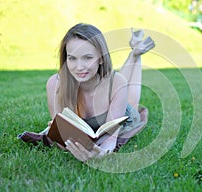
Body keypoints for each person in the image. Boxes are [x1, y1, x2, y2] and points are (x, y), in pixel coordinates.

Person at [46, 23, 155, 162]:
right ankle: (135, 51)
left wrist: (101, 154)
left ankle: (135, 54)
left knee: (130, 99)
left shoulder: (116, 82)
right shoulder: (55, 84)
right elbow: (61, 137)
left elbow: (111, 139)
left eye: (87, 57)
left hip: (125, 115)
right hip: (111, 88)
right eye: (72, 58)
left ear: (101, 58)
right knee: (118, 82)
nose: (79, 67)